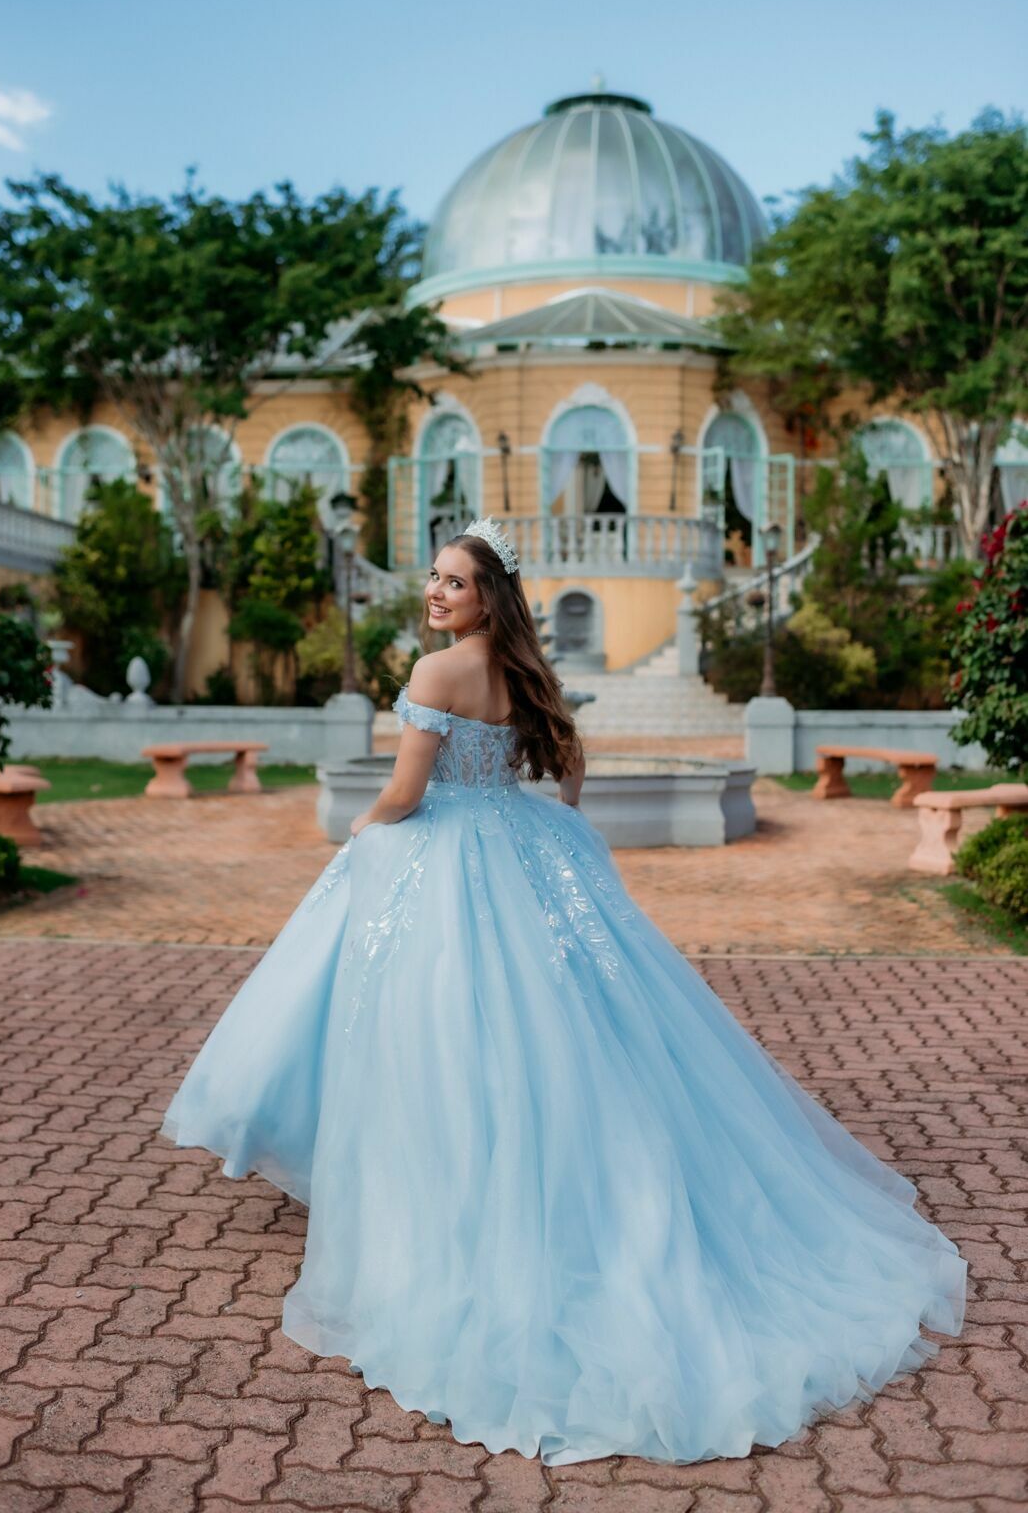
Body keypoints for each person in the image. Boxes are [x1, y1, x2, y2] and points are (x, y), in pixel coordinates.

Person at [159, 515, 967, 1468]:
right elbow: (570, 764)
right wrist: (554, 826)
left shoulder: (434, 675)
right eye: (432, 578)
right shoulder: (523, 672)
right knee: (554, 1024)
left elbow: (409, 793)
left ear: (487, 595)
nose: (434, 592)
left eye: (452, 583)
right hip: (520, 844)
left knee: (443, 1028)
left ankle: (450, 1203)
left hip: (446, 856)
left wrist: (360, 837)